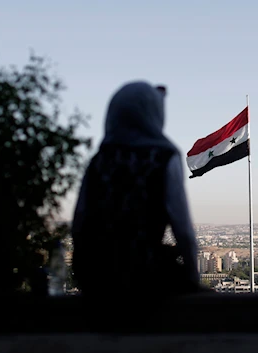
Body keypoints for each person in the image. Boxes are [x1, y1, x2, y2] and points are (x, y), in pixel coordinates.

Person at [72, 81, 201, 299]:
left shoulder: (101, 158)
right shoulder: (163, 157)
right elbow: (183, 230)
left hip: (96, 278)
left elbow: (79, 223)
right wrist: (192, 279)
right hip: (145, 276)